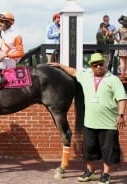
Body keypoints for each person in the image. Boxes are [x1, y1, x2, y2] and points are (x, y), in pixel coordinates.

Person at [49, 53, 126, 184]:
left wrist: (121, 115)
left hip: (108, 125)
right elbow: (73, 72)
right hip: (90, 123)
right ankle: (90, 172)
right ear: (91, 66)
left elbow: (122, 98)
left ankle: (105, 175)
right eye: (95, 65)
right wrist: (59, 65)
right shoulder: (86, 76)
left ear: (104, 64)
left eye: (101, 64)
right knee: (89, 150)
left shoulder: (113, 80)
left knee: (108, 151)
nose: (98, 67)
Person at [115, 15, 127, 79]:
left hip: (121, 43)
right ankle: (125, 74)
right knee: (126, 61)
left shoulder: (120, 28)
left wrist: (117, 40)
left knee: (122, 61)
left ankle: (122, 74)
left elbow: (112, 34)